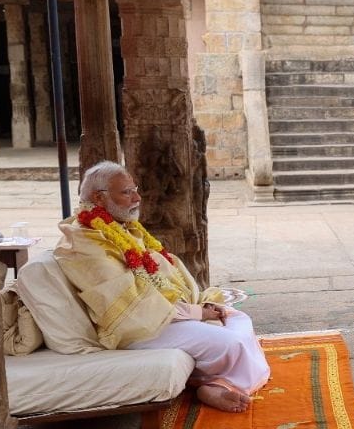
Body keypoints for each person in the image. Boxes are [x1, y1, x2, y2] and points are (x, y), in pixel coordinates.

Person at [54, 161, 271, 413]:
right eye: (126, 192)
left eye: (135, 189)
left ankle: (218, 380)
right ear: (97, 197)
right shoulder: (86, 242)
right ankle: (219, 386)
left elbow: (159, 278)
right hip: (135, 328)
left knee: (238, 318)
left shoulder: (120, 228)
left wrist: (195, 306)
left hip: (162, 314)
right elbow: (127, 306)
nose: (137, 198)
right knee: (232, 343)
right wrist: (197, 313)